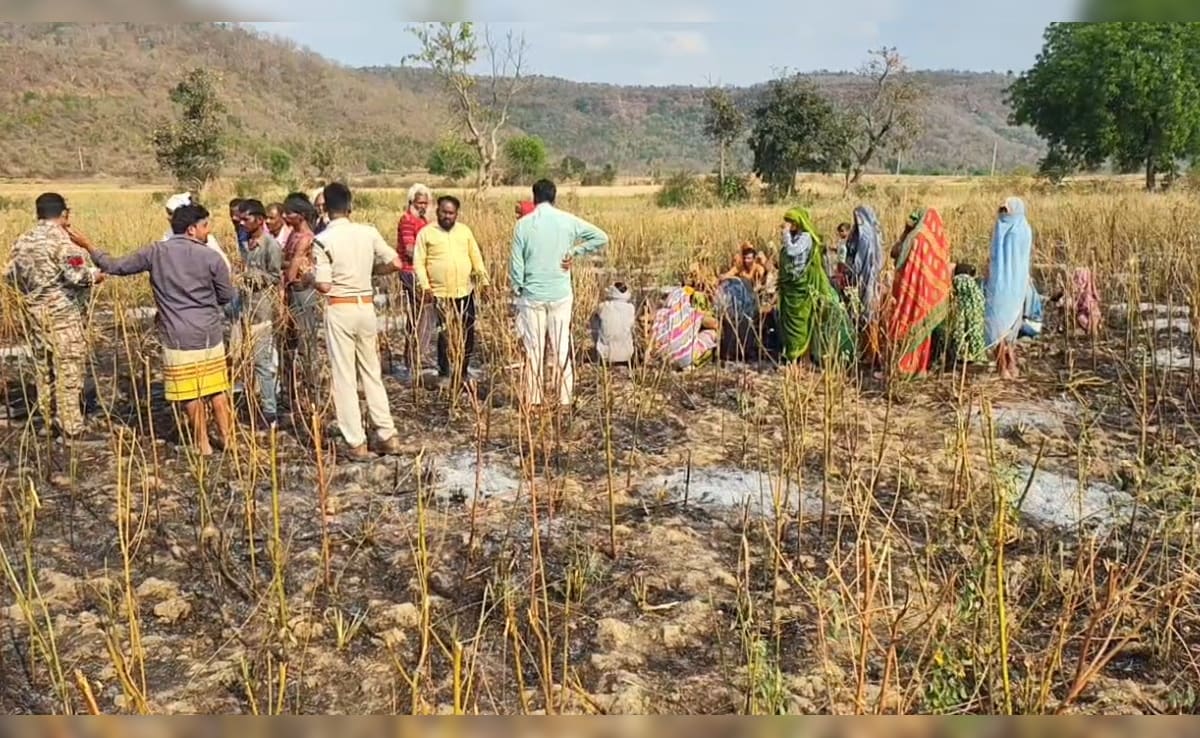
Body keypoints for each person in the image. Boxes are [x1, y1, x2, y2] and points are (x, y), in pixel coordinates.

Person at [70, 204, 234, 456]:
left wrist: (89, 246)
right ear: (191, 229)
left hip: (177, 336)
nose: (207, 231)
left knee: (190, 394)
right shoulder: (211, 257)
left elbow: (115, 266)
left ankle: (203, 445)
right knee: (216, 390)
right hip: (209, 334)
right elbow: (226, 296)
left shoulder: (156, 252)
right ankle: (228, 440)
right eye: (205, 226)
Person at [311, 183, 403, 460]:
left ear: (325, 209)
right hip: (366, 307)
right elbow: (396, 263)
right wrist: (371, 272)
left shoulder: (323, 240)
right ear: (350, 206)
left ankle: (356, 442)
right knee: (371, 373)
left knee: (344, 377)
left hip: (340, 307)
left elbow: (324, 285)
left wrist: (308, 278)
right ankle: (387, 435)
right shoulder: (368, 232)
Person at [3, 193, 101, 440]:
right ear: (64, 213)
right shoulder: (63, 242)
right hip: (64, 316)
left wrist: (36, 293)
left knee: (44, 368)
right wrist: (96, 275)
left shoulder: (23, 241)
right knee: (68, 369)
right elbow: (79, 276)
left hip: (36, 314)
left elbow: (10, 275)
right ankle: (71, 425)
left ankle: (47, 419)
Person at [509, 179, 608, 408]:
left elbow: (516, 263)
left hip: (532, 295)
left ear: (534, 198)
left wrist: (518, 288)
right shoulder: (567, 221)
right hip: (560, 294)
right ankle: (565, 399)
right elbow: (601, 237)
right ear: (554, 197)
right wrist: (575, 251)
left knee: (534, 350)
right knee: (561, 347)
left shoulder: (523, 225)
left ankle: (534, 400)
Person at [415, 195, 491, 388]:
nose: (447, 216)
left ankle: (463, 371)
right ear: (437, 211)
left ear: (456, 214)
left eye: (451, 213)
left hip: (464, 291)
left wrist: (484, 282)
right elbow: (419, 263)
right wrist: (425, 286)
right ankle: (445, 372)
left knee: (468, 331)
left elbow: (476, 257)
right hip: (440, 293)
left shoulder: (464, 231)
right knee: (444, 333)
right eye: (444, 212)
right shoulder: (426, 233)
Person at [776, 208, 854, 366]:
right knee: (789, 324)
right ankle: (793, 359)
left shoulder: (805, 238)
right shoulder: (793, 237)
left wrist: (785, 234)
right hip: (790, 288)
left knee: (801, 323)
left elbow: (792, 251)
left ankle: (803, 358)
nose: (788, 224)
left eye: (791, 221)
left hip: (801, 287)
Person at [886, 208, 952, 376]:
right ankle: (921, 367)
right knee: (924, 329)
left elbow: (896, 254)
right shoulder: (939, 239)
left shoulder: (915, 238)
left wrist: (905, 233)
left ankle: (905, 366)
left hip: (911, 289)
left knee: (909, 324)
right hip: (929, 294)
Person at [236, 199, 284, 427]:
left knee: (262, 362)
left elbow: (275, 276)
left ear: (260, 220)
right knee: (245, 360)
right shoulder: (244, 242)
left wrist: (251, 276)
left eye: (246, 219)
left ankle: (270, 412)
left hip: (262, 310)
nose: (242, 223)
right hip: (245, 308)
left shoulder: (270, 245)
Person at [279, 194, 322, 429]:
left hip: (301, 294)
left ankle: (312, 398)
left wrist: (287, 270)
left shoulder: (306, 237)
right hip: (292, 292)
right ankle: (292, 396)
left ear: (301, 215)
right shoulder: (293, 235)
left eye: (290, 213)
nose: (286, 216)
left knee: (306, 347)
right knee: (289, 345)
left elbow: (290, 270)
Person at [983, 197, 1034, 379]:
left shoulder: (1013, 228)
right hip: (1007, 283)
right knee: (1003, 324)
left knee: (1000, 324)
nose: (1003, 214)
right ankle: (1007, 363)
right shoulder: (1019, 227)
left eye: (1006, 210)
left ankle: (1005, 365)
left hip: (1007, 284)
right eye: (1002, 210)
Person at [397, 183, 436, 380]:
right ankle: (417, 357)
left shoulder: (422, 221)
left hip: (420, 272)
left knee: (418, 316)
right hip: (411, 272)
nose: (422, 206)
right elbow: (410, 249)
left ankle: (413, 357)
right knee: (424, 314)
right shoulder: (407, 220)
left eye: (425, 203)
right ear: (411, 202)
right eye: (419, 202)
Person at [652, 286, 718, 370]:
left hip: (665, 359)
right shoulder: (690, 312)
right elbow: (714, 324)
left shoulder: (660, 313)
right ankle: (694, 362)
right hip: (686, 358)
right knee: (712, 333)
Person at [844, 206, 884, 330]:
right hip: (867, 275)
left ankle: (865, 330)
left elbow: (859, 261)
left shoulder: (865, 238)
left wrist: (851, 271)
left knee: (865, 304)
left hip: (865, 275)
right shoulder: (867, 234)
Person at [945, 263, 987, 366]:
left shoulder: (960, 281)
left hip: (967, 305)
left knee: (963, 327)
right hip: (973, 305)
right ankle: (973, 355)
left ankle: (965, 355)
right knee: (972, 327)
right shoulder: (972, 287)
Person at [590, 282, 636, 365]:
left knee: (595, 320)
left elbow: (592, 320)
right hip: (627, 353)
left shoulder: (603, 306)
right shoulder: (631, 308)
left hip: (606, 354)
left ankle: (599, 348)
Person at [826, 222, 851, 287]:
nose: (840, 233)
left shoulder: (849, 242)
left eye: (842, 231)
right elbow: (840, 251)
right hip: (840, 262)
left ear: (848, 231)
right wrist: (833, 249)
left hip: (844, 264)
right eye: (839, 231)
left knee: (842, 278)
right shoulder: (841, 241)